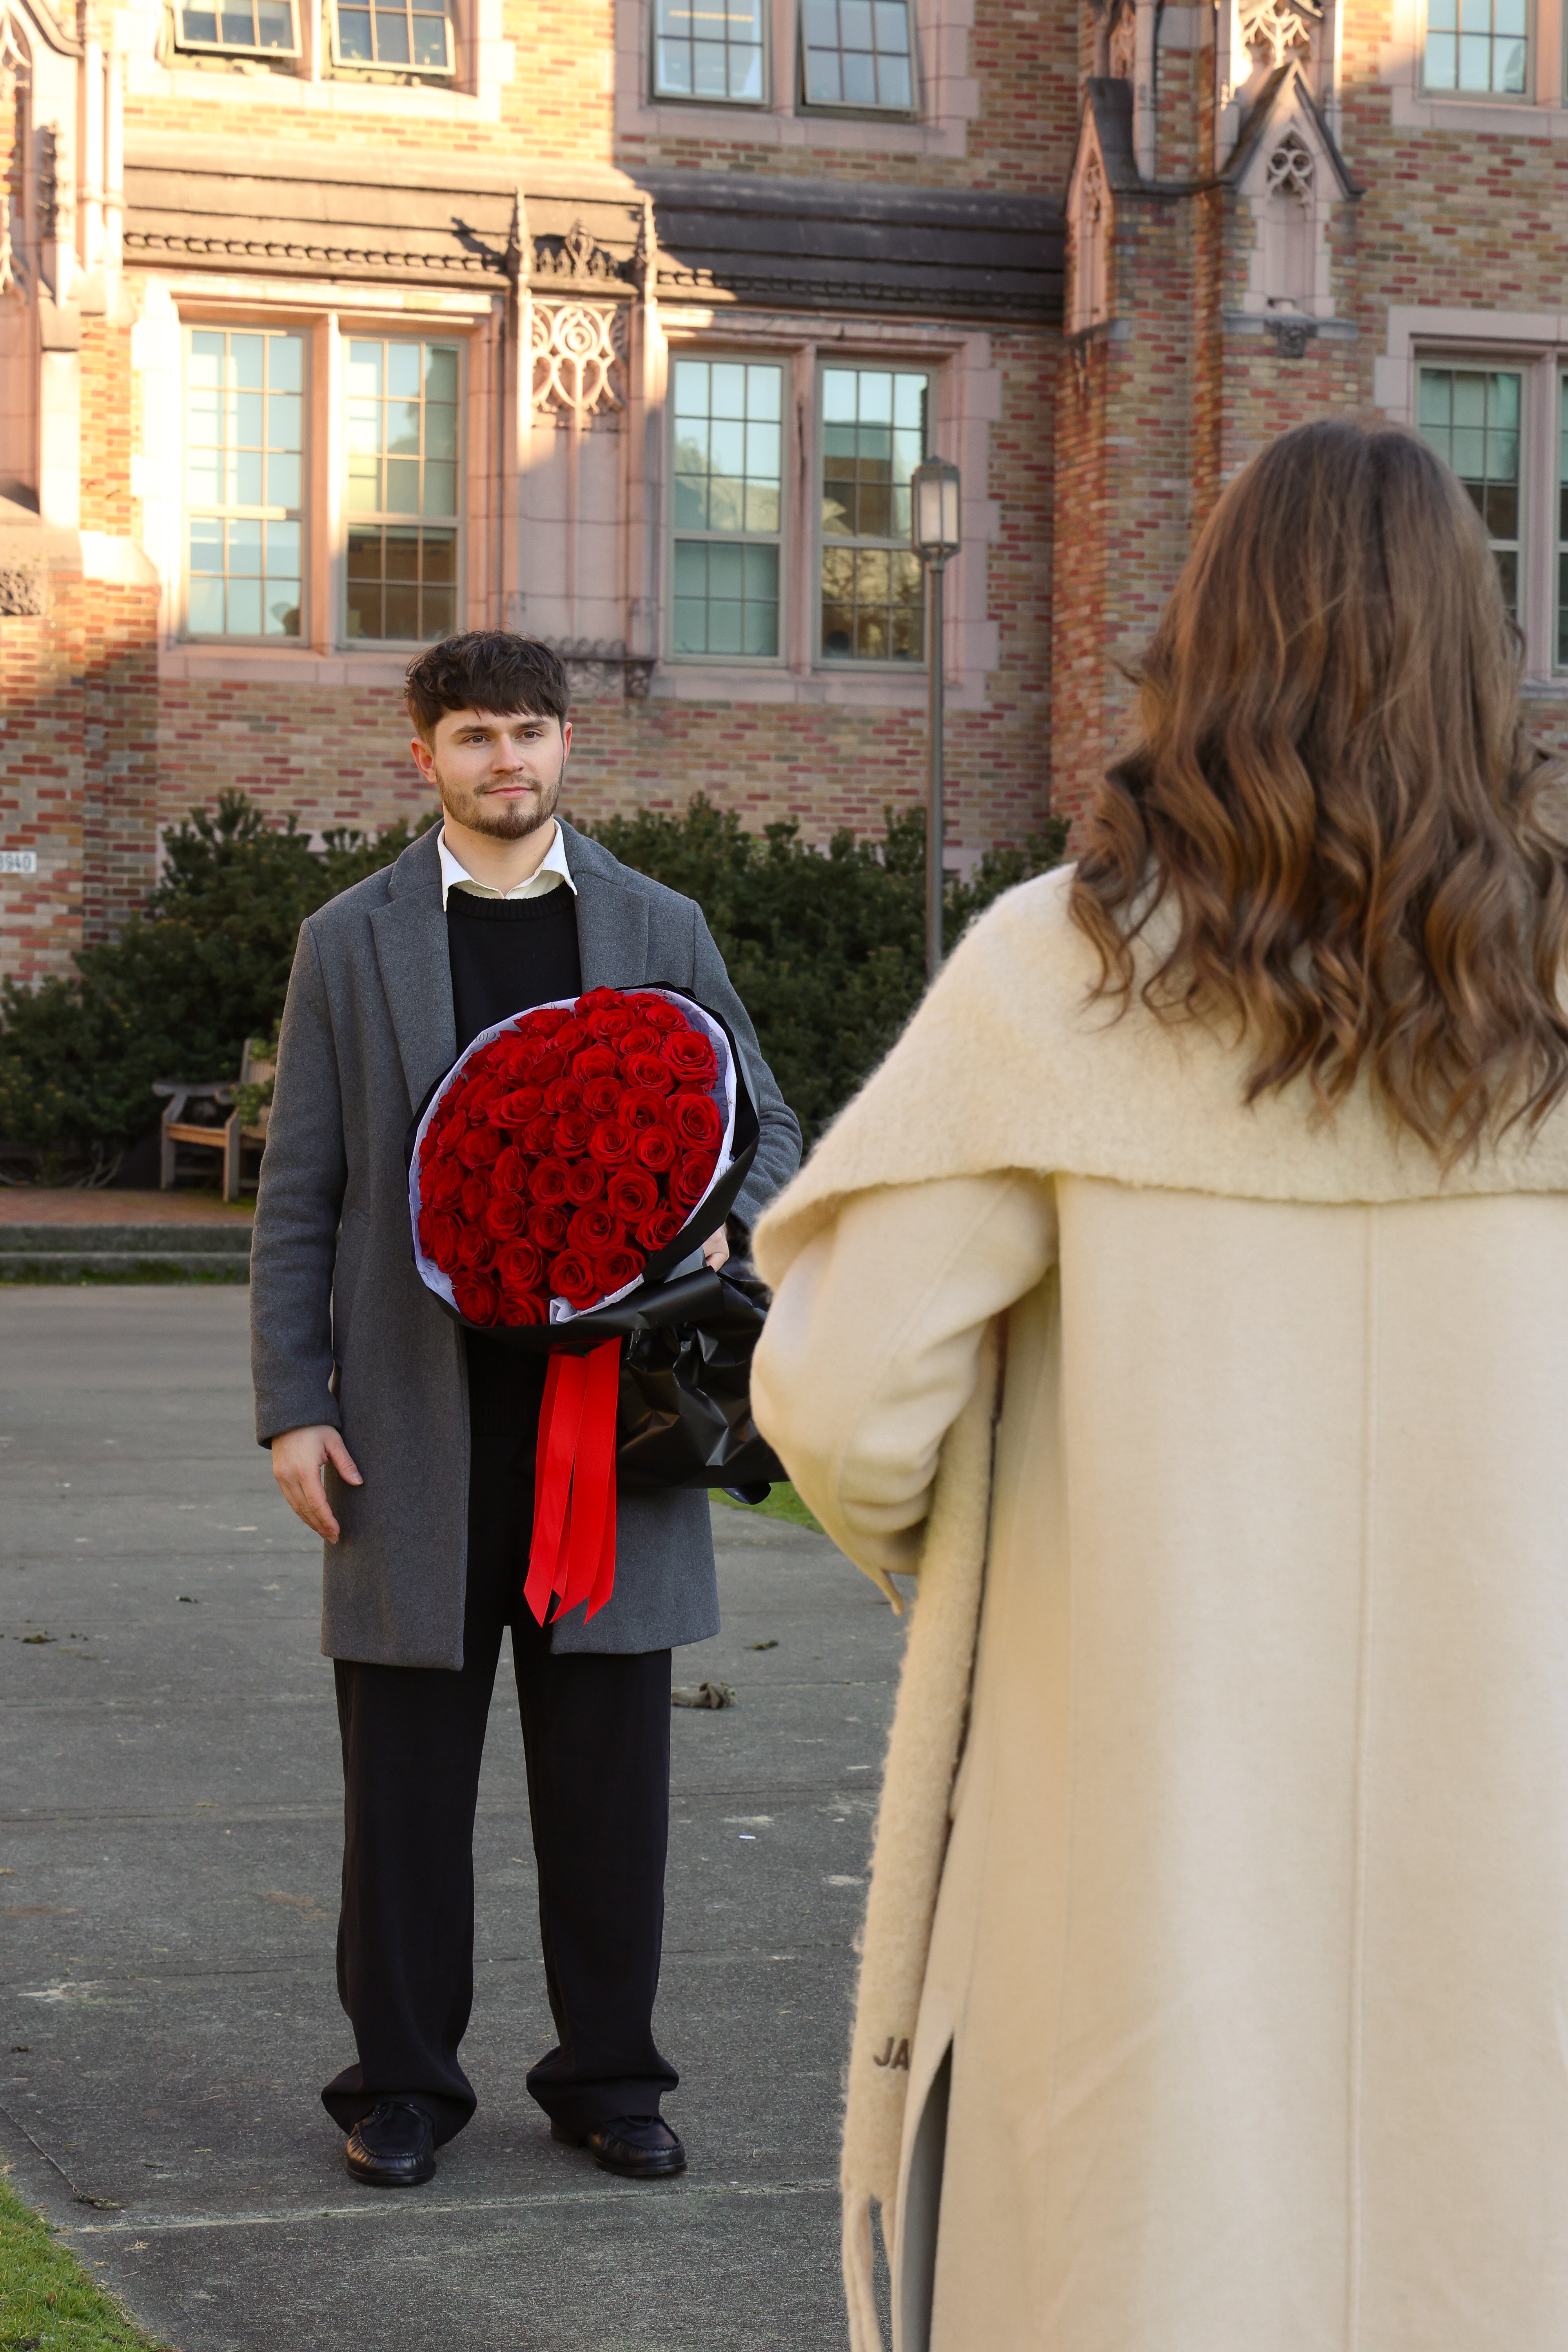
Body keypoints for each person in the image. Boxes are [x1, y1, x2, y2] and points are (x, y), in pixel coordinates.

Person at [750, 419, 1568, 2352]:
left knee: (1149, 2255)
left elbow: (844, 1407)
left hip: (1134, 1806)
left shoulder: (1059, 975)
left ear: (1201, 644)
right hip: (1514, 1811)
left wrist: (1019, 1564)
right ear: (1484, 654)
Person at [250, 632, 800, 2191]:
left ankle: (609, 2078)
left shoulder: (658, 923)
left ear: (568, 745)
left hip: (610, 1430)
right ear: (423, 754)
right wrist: (293, 1405)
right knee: (405, 1791)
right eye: (477, 736)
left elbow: (763, 1121)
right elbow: (301, 1194)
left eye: (532, 732)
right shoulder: (349, 942)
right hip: (410, 1431)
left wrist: (721, 1217)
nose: (509, 761)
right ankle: (401, 2087)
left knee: (610, 1785)